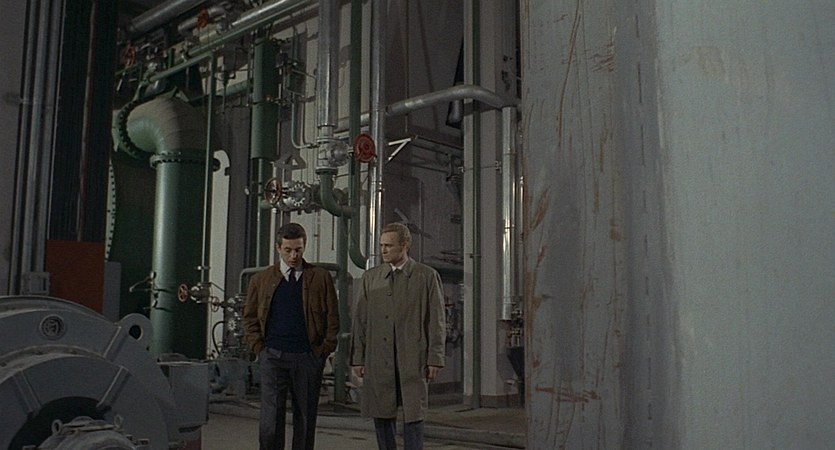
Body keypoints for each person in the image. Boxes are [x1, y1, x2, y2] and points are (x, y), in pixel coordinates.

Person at [350, 222, 446, 450]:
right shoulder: (371, 278)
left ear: (404, 246)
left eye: (389, 246)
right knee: (381, 410)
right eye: (382, 245)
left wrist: (435, 357)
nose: (383, 250)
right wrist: (358, 357)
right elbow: (360, 320)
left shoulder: (426, 276)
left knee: (413, 413)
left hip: (412, 356)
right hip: (379, 357)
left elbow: (436, 320)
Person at [243, 222, 339, 450]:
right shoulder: (261, 280)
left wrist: (324, 350)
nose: (294, 256)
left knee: (304, 418)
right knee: (270, 419)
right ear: (278, 248)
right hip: (273, 356)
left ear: (304, 247)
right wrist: (259, 348)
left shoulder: (320, 278)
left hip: (307, 357)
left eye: (298, 250)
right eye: (288, 250)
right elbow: (249, 318)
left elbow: (333, 317)